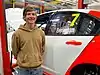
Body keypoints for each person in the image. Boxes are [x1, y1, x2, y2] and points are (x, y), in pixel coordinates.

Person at [11, 6, 45, 75]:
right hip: (23, 69)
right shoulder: (17, 33)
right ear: (24, 17)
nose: (31, 16)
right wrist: (23, 60)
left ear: (36, 17)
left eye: (33, 14)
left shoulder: (41, 32)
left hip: (37, 68)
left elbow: (42, 48)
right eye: (28, 14)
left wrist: (37, 58)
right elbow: (15, 50)